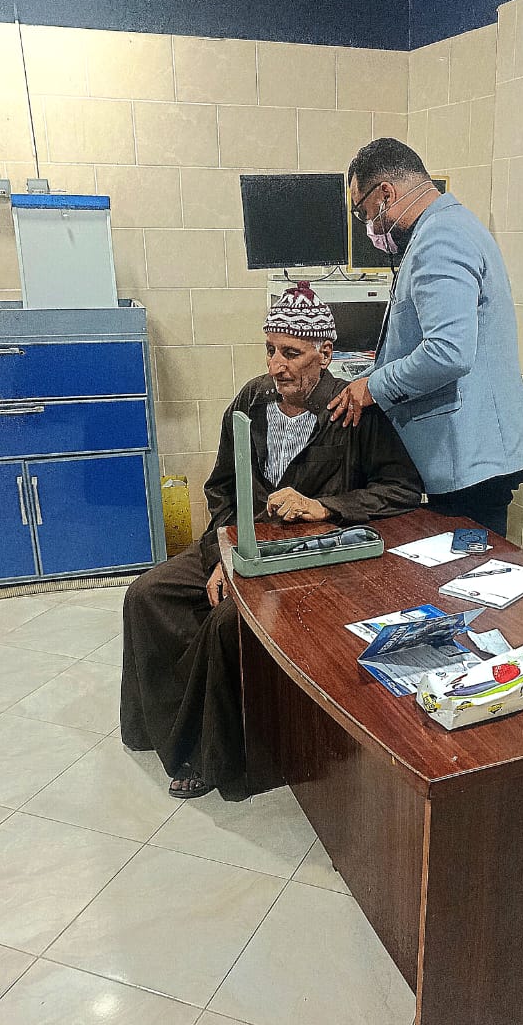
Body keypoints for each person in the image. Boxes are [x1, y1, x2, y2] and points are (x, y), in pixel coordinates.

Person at [120, 282, 422, 800]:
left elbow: (402, 488)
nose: (277, 366)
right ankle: (159, 729)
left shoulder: (351, 411)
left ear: (325, 354)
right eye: (270, 350)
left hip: (304, 559)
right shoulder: (252, 399)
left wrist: (326, 506)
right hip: (240, 541)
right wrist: (224, 555)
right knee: (147, 595)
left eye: (291, 353)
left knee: (227, 622)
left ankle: (211, 757)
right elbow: (221, 488)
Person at [330, 138, 523, 538]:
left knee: (464, 571)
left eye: (364, 212)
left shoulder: (441, 239)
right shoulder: (450, 227)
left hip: (469, 463)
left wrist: (373, 387)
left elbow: (448, 352)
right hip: (472, 457)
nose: (369, 225)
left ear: (385, 193)